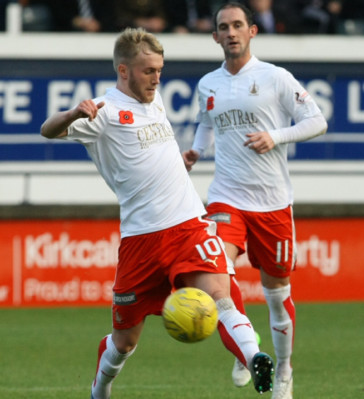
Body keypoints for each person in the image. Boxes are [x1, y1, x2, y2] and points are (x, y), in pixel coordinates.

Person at [40, 27, 274, 399]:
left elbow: (149, 156)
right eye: (148, 70)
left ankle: (254, 356)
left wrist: (174, 165)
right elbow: (47, 131)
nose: (156, 77)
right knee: (124, 341)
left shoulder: (155, 99)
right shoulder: (104, 112)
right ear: (123, 71)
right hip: (142, 240)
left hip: (188, 226)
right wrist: (72, 113)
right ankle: (100, 389)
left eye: (159, 69)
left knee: (218, 295)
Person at [182, 3, 328, 399]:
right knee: (218, 274)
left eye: (237, 26)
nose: (230, 33)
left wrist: (275, 137)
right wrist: (195, 151)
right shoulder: (208, 84)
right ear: (214, 36)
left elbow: (317, 121)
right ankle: (247, 347)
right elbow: (206, 121)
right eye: (223, 27)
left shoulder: (275, 77)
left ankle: (284, 370)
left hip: (273, 204)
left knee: (276, 294)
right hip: (226, 197)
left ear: (252, 32)